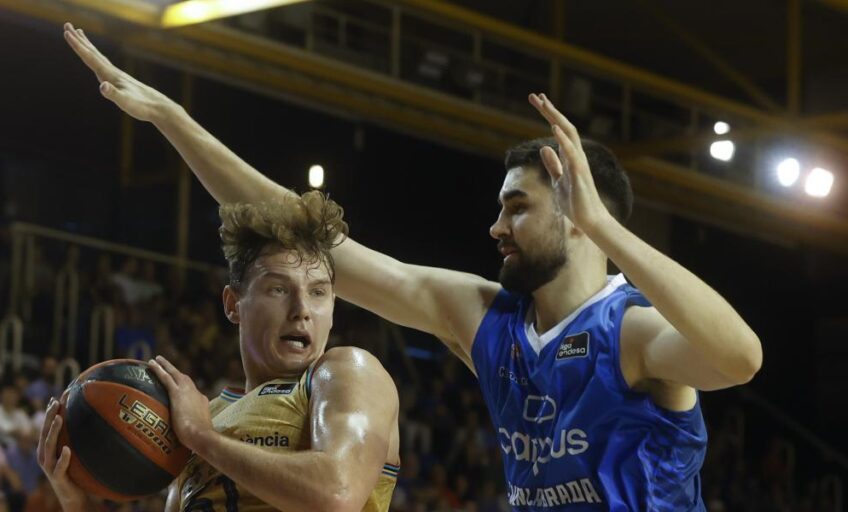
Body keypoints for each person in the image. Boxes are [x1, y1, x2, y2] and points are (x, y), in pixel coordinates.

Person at [61, 23, 764, 510]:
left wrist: (609, 228)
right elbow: (310, 233)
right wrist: (172, 119)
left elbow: (739, 358)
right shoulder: (484, 316)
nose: (496, 227)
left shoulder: (633, 330)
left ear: (578, 213)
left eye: (517, 207)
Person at [37, 175, 400, 510]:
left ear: (333, 309)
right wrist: (79, 504)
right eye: (278, 289)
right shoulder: (195, 420)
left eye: (318, 292)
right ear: (232, 304)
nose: (302, 310)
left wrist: (203, 438)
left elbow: (337, 494)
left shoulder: (347, 372)